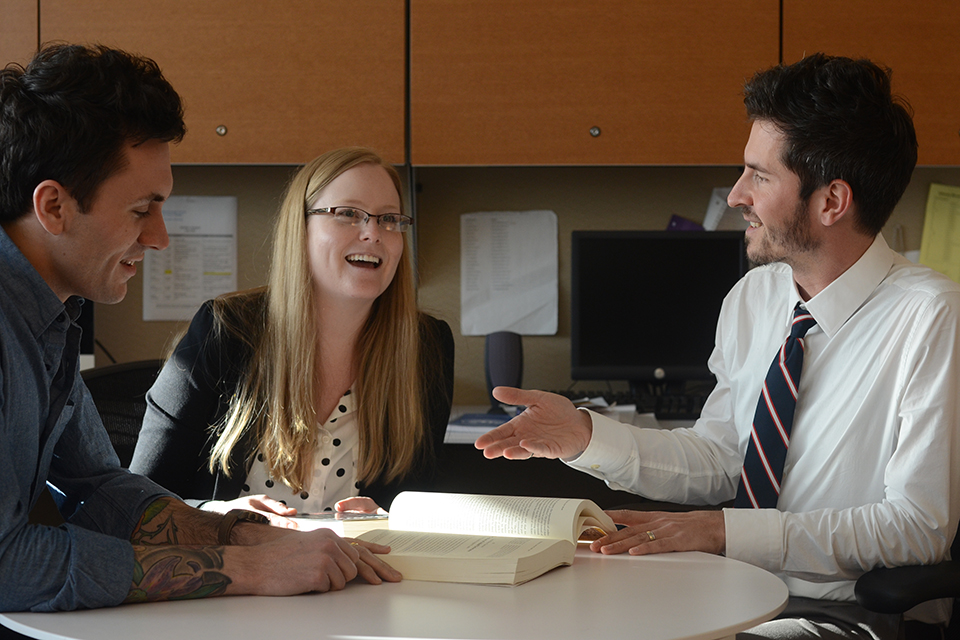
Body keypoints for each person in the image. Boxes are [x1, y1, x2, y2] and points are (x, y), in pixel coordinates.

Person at [476, 53, 960, 639]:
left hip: (848, 614)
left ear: (831, 201)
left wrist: (723, 532)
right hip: (735, 592)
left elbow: (917, 528)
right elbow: (723, 458)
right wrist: (586, 436)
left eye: (759, 175)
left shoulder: (932, 315)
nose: (735, 195)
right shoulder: (754, 297)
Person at [0, 43, 399, 614]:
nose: (160, 237)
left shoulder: (49, 320)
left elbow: (99, 486)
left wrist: (235, 533)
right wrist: (244, 568)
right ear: (54, 207)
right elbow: (7, 564)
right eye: (143, 209)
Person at [129, 147, 454, 522]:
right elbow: (138, 501)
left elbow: (417, 503)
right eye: (348, 214)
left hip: (360, 573)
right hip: (236, 569)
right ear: (300, 229)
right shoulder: (225, 330)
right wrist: (216, 516)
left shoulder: (425, 346)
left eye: (390, 219)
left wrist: (393, 517)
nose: (372, 233)